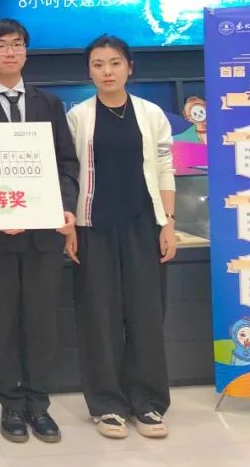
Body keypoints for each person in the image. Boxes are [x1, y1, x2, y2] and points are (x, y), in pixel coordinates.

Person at [0, 19, 78, 444]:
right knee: (1, 319)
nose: (10, 52)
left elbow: (66, 163)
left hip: (42, 234)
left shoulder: (49, 103)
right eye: (1, 45)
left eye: (18, 44)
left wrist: (63, 207)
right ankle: (9, 403)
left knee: (41, 320)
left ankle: (38, 403)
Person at [65, 34, 177, 440]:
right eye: (98, 65)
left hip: (143, 226)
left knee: (146, 315)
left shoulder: (151, 113)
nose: (107, 72)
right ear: (89, 71)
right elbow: (70, 173)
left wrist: (168, 222)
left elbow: (165, 167)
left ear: (129, 67)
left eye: (114, 63)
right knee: (100, 316)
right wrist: (69, 227)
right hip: (93, 227)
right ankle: (107, 405)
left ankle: (148, 403)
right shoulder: (78, 116)